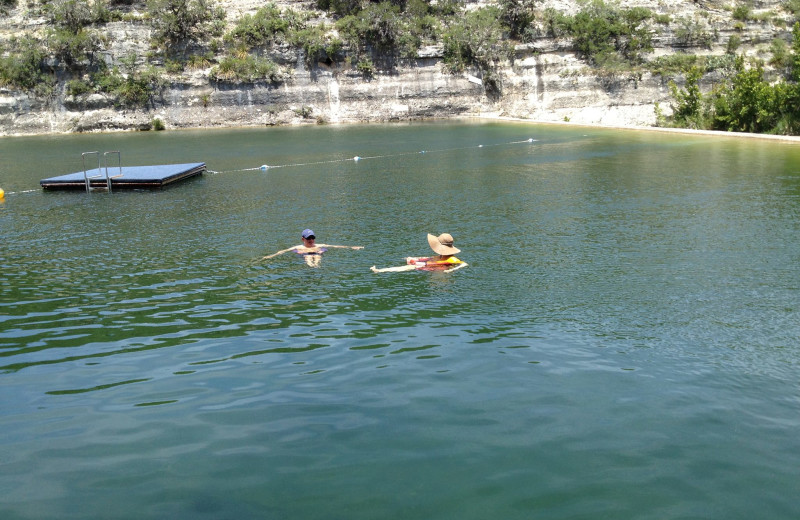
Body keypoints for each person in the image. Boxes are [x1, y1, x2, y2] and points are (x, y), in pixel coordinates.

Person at [261, 229, 363, 267]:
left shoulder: (318, 245)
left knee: (317, 256)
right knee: (309, 258)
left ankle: (316, 267)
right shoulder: (298, 247)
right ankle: (311, 267)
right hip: (305, 254)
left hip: (317, 252)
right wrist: (270, 256)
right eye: (309, 238)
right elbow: (283, 251)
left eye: (313, 238)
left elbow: (335, 246)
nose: (311, 240)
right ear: (303, 239)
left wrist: (351, 247)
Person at [371, 233, 467, 273]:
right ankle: (381, 270)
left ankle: (380, 270)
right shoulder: (442, 256)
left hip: (440, 269)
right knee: (412, 264)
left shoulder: (453, 259)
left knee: (410, 267)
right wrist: (416, 258)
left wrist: (450, 271)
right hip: (433, 267)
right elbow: (431, 258)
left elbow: (464, 264)